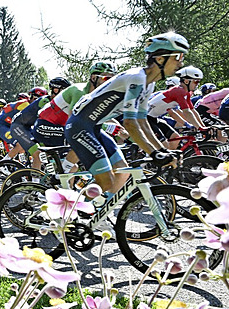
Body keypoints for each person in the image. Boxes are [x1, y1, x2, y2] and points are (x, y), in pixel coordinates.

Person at [64, 31, 187, 195]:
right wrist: (154, 153)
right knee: (106, 182)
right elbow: (129, 123)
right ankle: (67, 209)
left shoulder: (149, 84)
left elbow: (142, 122)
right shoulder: (136, 78)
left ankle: (95, 214)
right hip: (80, 127)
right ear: (159, 58)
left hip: (95, 127)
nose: (180, 64)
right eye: (177, 57)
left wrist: (162, 151)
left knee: (123, 171)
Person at [34, 61, 118, 171]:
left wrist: (123, 131)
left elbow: (106, 116)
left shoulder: (96, 95)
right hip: (44, 126)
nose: (110, 82)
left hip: (61, 126)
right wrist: (106, 127)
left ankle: (64, 180)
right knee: (82, 142)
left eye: (113, 79)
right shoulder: (80, 92)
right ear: (93, 78)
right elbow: (75, 120)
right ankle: (61, 174)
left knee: (74, 167)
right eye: (107, 78)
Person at [7, 80, 71, 168]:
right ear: (56, 90)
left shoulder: (57, 104)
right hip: (18, 126)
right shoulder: (45, 101)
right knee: (37, 154)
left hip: (29, 127)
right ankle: (35, 181)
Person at [147, 65, 207, 148]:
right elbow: (186, 112)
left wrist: (203, 127)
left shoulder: (186, 93)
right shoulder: (178, 91)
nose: (197, 84)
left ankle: (171, 160)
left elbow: (193, 111)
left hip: (154, 118)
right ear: (186, 81)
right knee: (163, 145)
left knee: (175, 138)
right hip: (144, 118)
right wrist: (199, 127)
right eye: (196, 82)